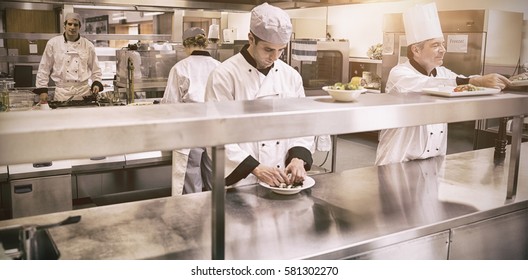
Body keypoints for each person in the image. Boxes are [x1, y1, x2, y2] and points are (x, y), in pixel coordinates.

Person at [375, 3, 511, 166]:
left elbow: (463, 83)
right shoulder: (399, 73)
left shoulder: (443, 72)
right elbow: (426, 84)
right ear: (416, 50)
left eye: (443, 44)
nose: (443, 50)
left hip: (434, 159)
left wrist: (499, 82)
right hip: (398, 157)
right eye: (435, 45)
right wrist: (471, 81)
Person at [205, 3, 315, 188]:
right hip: (242, 179)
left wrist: (298, 158)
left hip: (283, 177)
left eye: (281, 50)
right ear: (250, 38)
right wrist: (255, 168)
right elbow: (214, 131)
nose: (275, 57)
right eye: (268, 49)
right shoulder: (224, 75)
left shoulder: (291, 76)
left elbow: (302, 122)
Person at [162, 27, 221, 195]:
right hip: (216, 129)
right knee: (214, 176)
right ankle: (217, 215)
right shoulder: (220, 67)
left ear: (186, 44)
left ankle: (193, 216)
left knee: (191, 176)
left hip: (190, 130)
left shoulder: (180, 68)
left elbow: (170, 105)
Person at [34, 13, 103, 102]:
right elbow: (44, 67)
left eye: (75, 25)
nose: (72, 27)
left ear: (80, 27)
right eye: (69, 24)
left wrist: (96, 83)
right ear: (64, 26)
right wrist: (42, 90)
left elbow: (95, 68)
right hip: (62, 93)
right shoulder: (53, 43)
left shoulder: (88, 45)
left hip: (84, 93)